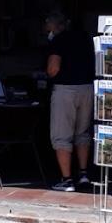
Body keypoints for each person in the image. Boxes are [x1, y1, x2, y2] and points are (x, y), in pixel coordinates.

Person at [43, 10, 95, 192]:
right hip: (87, 88)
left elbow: (53, 69)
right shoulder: (86, 38)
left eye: (47, 24)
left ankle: (66, 180)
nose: (45, 28)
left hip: (66, 90)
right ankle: (83, 174)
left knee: (61, 135)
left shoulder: (58, 40)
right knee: (82, 133)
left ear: (55, 25)